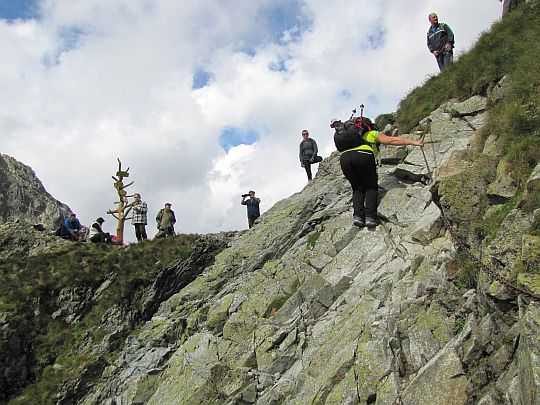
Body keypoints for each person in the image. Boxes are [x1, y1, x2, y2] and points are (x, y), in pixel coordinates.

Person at [331, 117, 424, 228]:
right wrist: (413, 142)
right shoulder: (372, 133)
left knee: (357, 188)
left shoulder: (351, 137)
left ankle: (358, 216)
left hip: (344, 159)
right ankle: (370, 217)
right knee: (371, 187)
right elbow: (391, 140)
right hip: (363, 154)